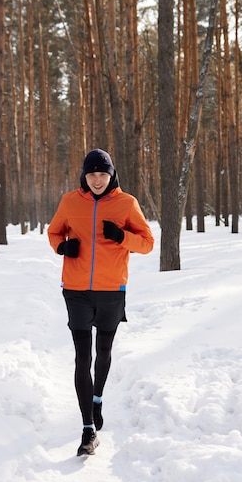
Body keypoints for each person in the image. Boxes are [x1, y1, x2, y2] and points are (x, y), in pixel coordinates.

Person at [47, 149, 154, 456]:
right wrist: (62, 247)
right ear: (84, 175)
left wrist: (121, 237)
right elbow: (54, 232)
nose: (97, 180)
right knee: (83, 357)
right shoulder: (70, 201)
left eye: (102, 175)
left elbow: (147, 243)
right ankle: (87, 429)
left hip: (111, 291)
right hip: (76, 290)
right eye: (92, 174)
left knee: (103, 351)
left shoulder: (126, 203)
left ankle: (97, 400)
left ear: (111, 175)